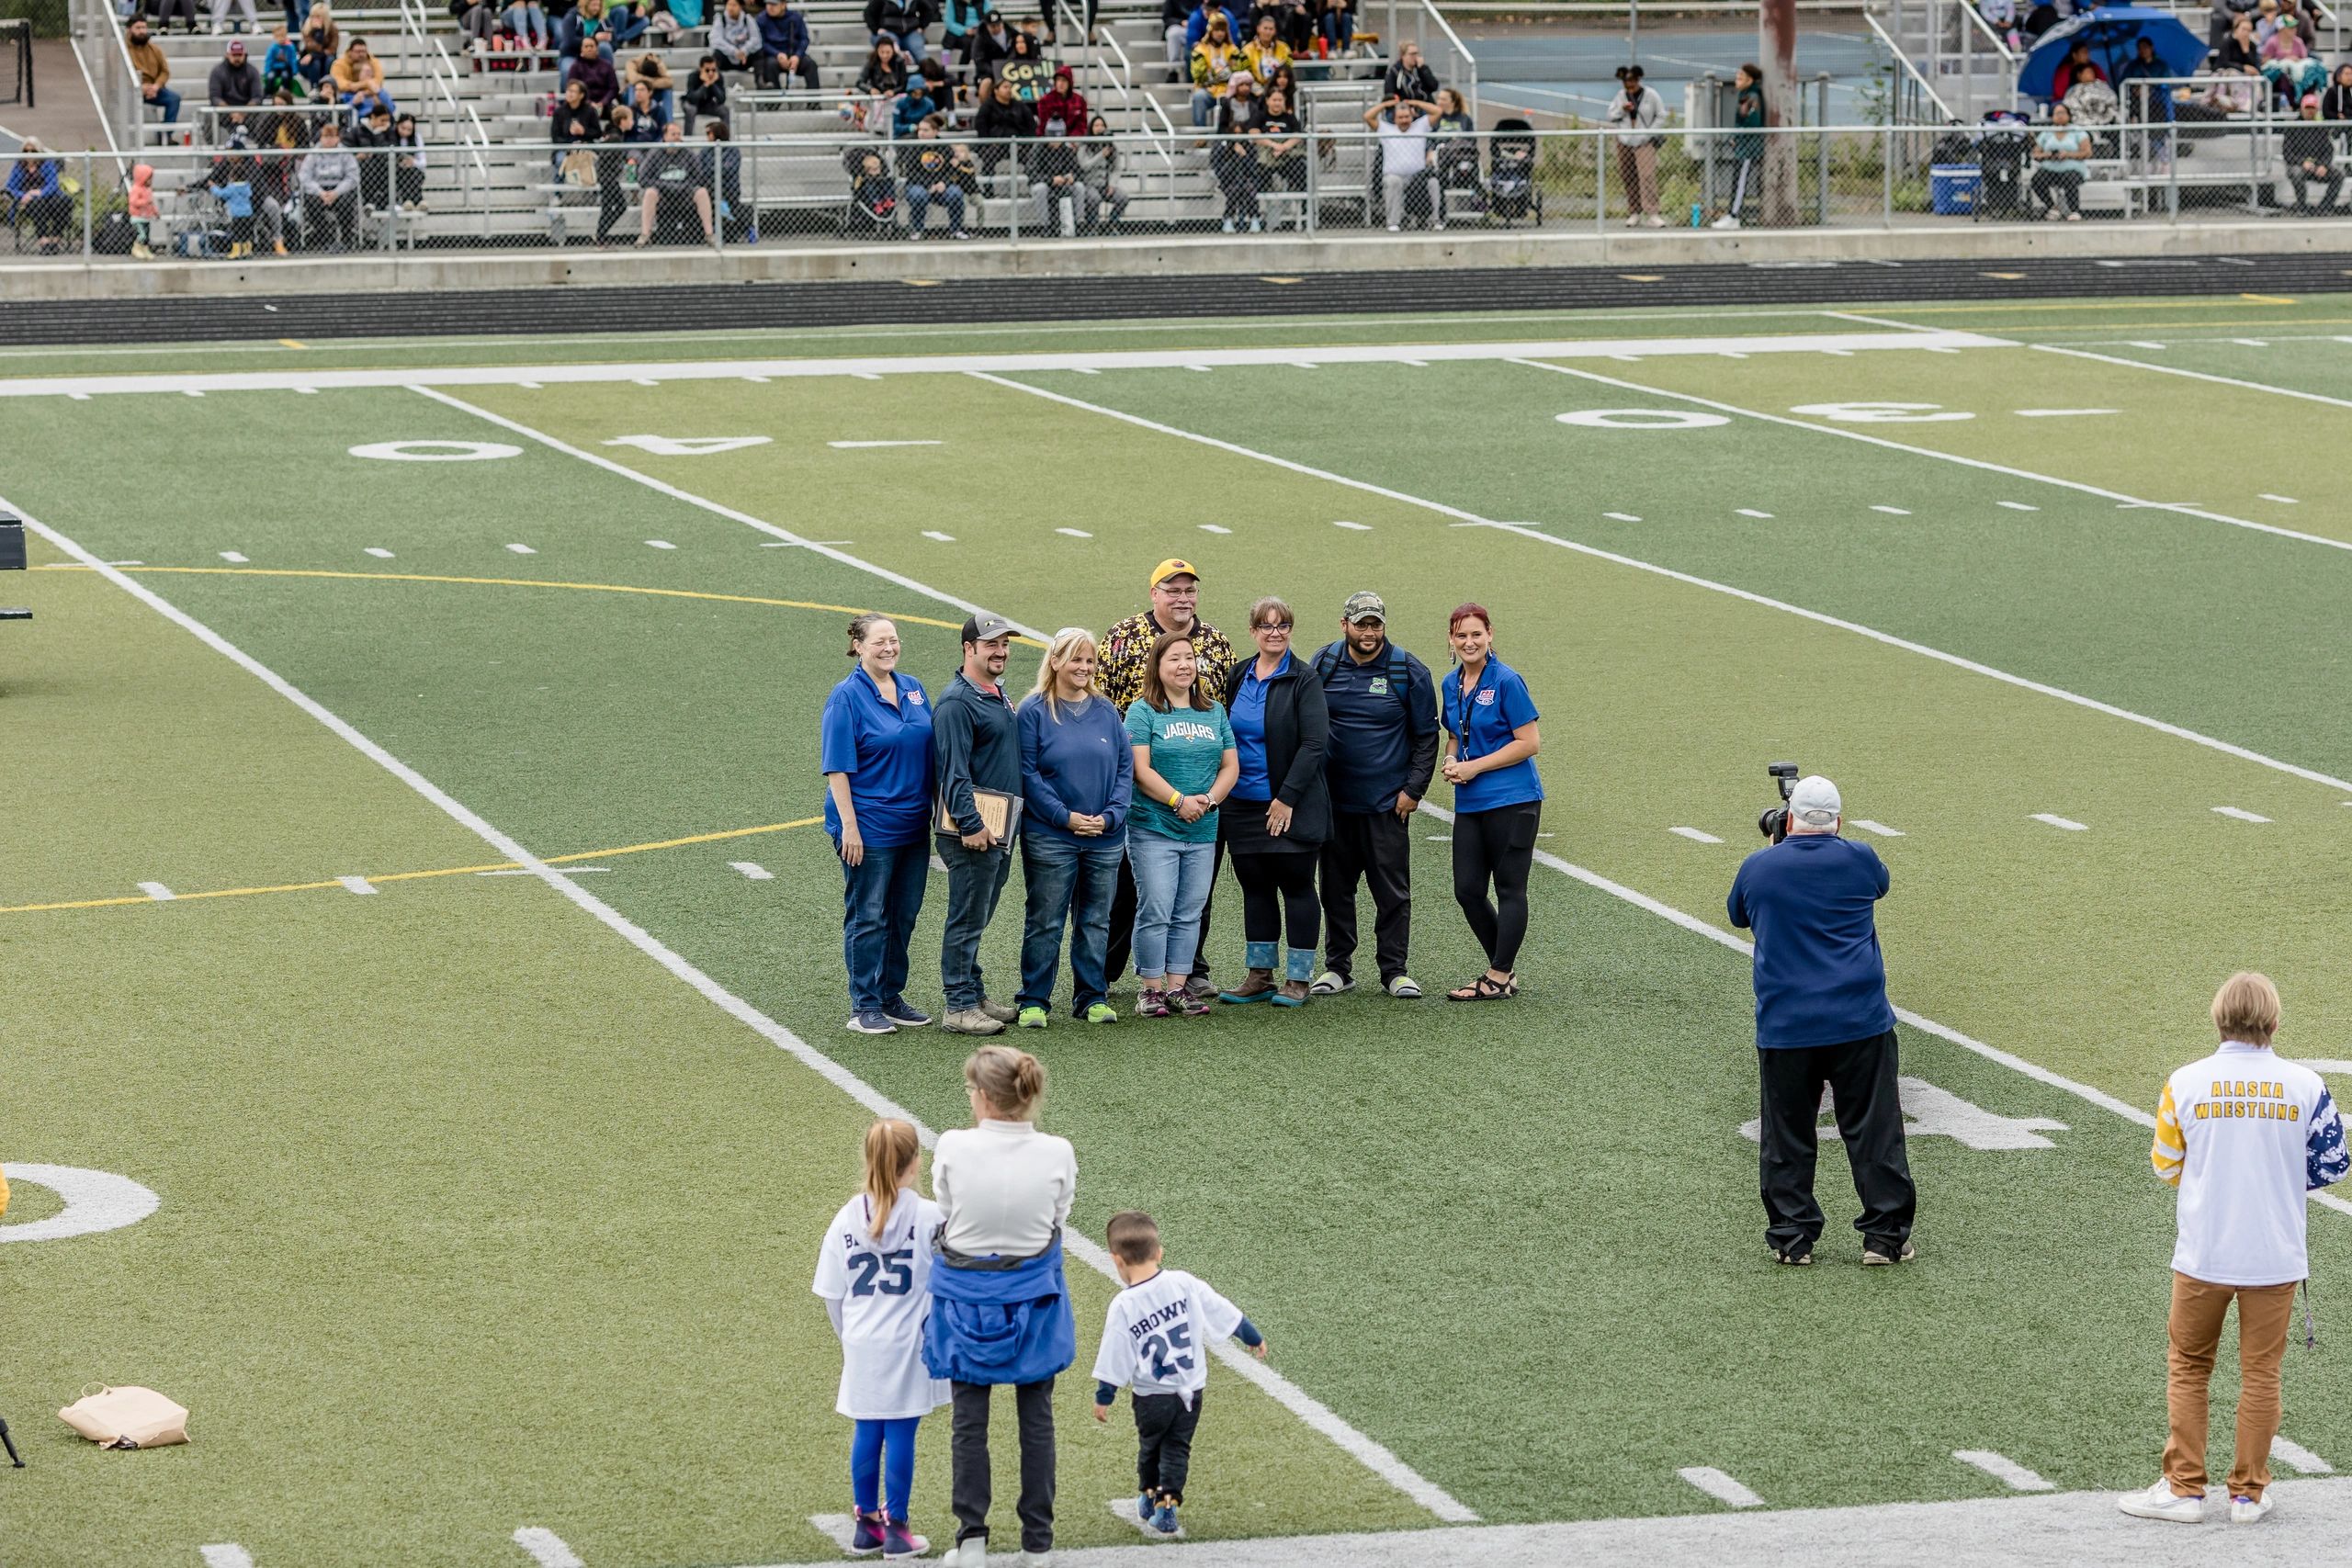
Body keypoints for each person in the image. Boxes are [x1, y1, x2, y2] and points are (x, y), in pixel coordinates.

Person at [2118, 973, 2347, 1526]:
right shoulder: (2306, 1085)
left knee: (2191, 1366)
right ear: (2273, 1021)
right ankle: (2247, 1495)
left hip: (2204, 1253)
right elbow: (2334, 1164)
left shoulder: (2186, 1082)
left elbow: (2165, 1165)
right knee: (2262, 1373)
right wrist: (2278, 1179)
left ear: (2218, 1018)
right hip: (2275, 1256)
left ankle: (2184, 1489)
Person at [1725, 773, 1915, 1267]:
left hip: (1786, 1025)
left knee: (1787, 1133)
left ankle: (1793, 1238)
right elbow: (1879, 885)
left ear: (1787, 820)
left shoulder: (1759, 866)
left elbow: (1738, 916)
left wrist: (1775, 847)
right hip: (1861, 1021)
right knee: (1874, 1130)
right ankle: (1885, 1238)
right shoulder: (1860, 858)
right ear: (1839, 820)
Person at [926, 1046, 1077, 1568]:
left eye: (971, 1091)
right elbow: (1059, 1218)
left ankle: (971, 1542)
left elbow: (946, 1210)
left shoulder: (952, 1145)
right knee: (1037, 1419)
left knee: (969, 1422)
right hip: (1034, 1298)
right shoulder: (1058, 1151)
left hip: (965, 1302)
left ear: (987, 1098)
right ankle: (1038, 1543)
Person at [1099, 558, 1238, 1000]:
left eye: (1189, 590)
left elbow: (1228, 713)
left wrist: (1209, 798)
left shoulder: (1215, 642)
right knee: (1136, 893)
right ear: (1154, 593)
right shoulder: (1123, 637)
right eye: (1172, 590)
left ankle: (1188, 974)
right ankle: (1111, 972)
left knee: (1195, 899)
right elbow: (1100, 699)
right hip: (1143, 789)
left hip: (1203, 794)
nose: (1182, 598)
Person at [1091, 1211, 1270, 1538]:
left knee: (1150, 1446)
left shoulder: (1124, 1304)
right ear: (1159, 1253)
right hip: (1191, 1391)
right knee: (1177, 1447)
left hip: (1152, 1396)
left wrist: (1104, 1396)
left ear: (1117, 1260)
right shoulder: (1184, 1283)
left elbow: (1115, 1355)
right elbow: (1224, 1312)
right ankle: (1167, 1507)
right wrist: (1253, 1336)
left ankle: (1148, 1496)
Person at [813, 1119, 945, 1562]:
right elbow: (952, 1278)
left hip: (863, 1342)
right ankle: (898, 1529)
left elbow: (832, 1291)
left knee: (867, 1428)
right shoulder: (929, 1215)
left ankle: (866, 1524)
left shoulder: (847, 1215)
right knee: (902, 1430)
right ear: (913, 1164)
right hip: (909, 1343)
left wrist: (849, 1337)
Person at [1306, 592, 1437, 1001]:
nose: (1368, 632)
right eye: (1361, 624)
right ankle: (1338, 968)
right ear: (1344, 624)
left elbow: (1427, 737)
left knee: (1392, 894)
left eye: (1375, 624)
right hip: (1335, 805)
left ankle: (1394, 970)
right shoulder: (1324, 663)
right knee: (1335, 890)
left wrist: (1413, 791)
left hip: (1386, 806)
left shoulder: (1407, 669)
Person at [822, 614, 937, 1036]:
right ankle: (864, 1005)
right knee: (869, 916)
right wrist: (850, 829)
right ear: (858, 645)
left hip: (913, 827)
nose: (889, 648)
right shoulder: (846, 697)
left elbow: (932, 752)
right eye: (879, 642)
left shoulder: (913, 688)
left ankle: (890, 996)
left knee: (903, 915)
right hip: (869, 829)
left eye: (894, 640)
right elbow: (837, 769)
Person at [1015, 627, 1132, 1028]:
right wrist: (1064, 816)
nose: (1084, 667)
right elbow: (1028, 774)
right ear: (1055, 661)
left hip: (1105, 837)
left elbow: (1123, 770)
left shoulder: (1106, 711)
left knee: (1096, 920)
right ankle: (1034, 1000)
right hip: (1051, 836)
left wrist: (1111, 816)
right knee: (1046, 919)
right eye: (1075, 659)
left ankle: (1092, 997)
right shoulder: (1032, 711)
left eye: (1089, 660)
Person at [1216, 596, 1329, 1009]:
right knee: (1255, 888)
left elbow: (1315, 744)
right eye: (1266, 626)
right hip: (1241, 805)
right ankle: (1260, 975)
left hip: (1289, 805)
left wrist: (1286, 799)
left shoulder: (1304, 678)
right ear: (1253, 632)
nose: (1275, 632)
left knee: (1297, 886)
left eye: (1282, 625)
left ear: (1290, 631)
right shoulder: (1238, 674)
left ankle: (1298, 979)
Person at [1125, 632, 1238, 1021]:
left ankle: (1178, 986)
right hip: (1154, 827)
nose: (1184, 665)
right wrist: (1178, 801)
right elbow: (1140, 769)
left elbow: (1230, 766)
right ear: (1158, 666)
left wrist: (1208, 800)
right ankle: (1151, 990)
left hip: (1203, 829)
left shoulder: (1214, 711)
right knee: (1156, 907)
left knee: (1190, 910)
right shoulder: (1142, 711)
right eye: (1174, 659)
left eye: (1189, 657)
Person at [1437, 603, 1541, 1002]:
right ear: (1451, 639)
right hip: (1471, 802)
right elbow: (1453, 734)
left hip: (1513, 800)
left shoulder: (1507, 680)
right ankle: (1504, 970)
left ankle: (1497, 974)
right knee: (1467, 889)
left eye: (1476, 634)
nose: (1469, 642)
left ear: (1490, 635)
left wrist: (1475, 766)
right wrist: (1450, 759)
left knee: (1510, 888)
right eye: (1461, 635)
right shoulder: (1450, 683)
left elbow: (1529, 743)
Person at [933, 614, 1022, 1035]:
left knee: (978, 913)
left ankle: (973, 989)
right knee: (967, 915)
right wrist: (971, 824)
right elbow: (953, 772)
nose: (1001, 651)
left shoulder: (994, 693)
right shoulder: (957, 702)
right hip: (975, 830)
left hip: (999, 827)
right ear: (969, 648)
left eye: (1005, 643)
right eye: (991, 644)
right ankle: (959, 1005)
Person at [636, 119, 715, 243]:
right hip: (663, 194)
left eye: (679, 134)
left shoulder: (688, 152)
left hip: (684, 192)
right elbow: (643, 179)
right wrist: (666, 185)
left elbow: (699, 177)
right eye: (673, 134)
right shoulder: (655, 153)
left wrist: (683, 186)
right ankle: (645, 235)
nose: (677, 138)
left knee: (702, 192)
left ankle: (709, 234)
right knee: (650, 193)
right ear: (665, 136)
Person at [1364, 94, 1433, 233]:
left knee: (1433, 182)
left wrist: (1415, 102)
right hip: (1394, 175)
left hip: (1417, 176)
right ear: (1394, 118)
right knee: (1393, 182)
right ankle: (1393, 222)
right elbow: (1368, 117)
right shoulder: (1386, 129)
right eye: (1400, 117)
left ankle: (1435, 221)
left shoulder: (1420, 126)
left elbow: (1437, 111)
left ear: (1412, 117)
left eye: (1407, 117)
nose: (1404, 120)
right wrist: (1385, 105)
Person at [1607, 62, 1664, 227]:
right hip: (1625, 140)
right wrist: (1622, 110)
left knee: (1647, 175)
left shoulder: (1651, 95)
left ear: (1638, 80)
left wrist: (1648, 133)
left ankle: (1652, 212)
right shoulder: (1620, 96)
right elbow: (1611, 115)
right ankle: (1634, 211)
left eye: (1632, 82)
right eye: (1626, 83)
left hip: (1644, 141)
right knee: (1628, 175)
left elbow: (1661, 115)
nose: (1629, 86)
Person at [1213, 71, 1265, 231]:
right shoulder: (1227, 104)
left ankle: (1244, 218)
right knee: (1236, 186)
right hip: (1229, 153)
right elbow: (1221, 128)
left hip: (1249, 146)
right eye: (1241, 85)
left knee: (1245, 185)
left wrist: (1245, 140)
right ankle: (1250, 217)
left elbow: (1257, 125)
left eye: (1247, 85)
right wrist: (1233, 142)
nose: (1244, 88)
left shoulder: (1254, 105)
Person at [298, 118, 361, 247]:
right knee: (312, 203)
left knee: (347, 202)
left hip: (340, 189)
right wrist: (320, 192)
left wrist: (336, 192)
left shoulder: (345, 154)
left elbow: (353, 177)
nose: (329, 140)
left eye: (332, 136)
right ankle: (323, 238)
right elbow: (304, 176)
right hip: (319, 189)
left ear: (338, 138)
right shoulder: (313, 154)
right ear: (320, 138)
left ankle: (346, 239)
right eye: (326, 136)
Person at [1715, 62, 1763, 228]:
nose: (1737, 80)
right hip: (1743, 146)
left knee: (1740, 181)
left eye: (1740, 77)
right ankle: (1732, 214)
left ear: (1749, 80)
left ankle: (1734, 215)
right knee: (1737, 180)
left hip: (1748, 147)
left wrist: (1738, 134)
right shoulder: (1745, 95)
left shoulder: (1753, 97)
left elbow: (1752, 122)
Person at [5, 143, 73, 255]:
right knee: (37, 204)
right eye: (26, 151)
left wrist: (40, 192)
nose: (29, 154)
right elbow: (10, 188)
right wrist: (24, 195)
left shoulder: (46, 164)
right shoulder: (19, 166)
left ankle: (55, 241)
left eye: (33, 151)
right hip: (29, 202)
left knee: (64, 202)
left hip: (49, 197)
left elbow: (53, 184)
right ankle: (44, 242)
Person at [2283, 92, 2342, 211]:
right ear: (2302, 109)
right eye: (2307, 108)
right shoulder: (2292, 127)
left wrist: (2323, 165)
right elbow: (2287, 152)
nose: (2310, 111)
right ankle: (2302, 206)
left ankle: (2325, 207)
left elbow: (2328, 150)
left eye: (2312, 108)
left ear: (2316, 110)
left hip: (2317, 165)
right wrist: (2302, 162)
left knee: (2339, 175)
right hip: (2299, 165)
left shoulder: (2320, 128)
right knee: (2296, 172)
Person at [2031, 102, 2089, 220]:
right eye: (2056, 113)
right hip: (2051, 169)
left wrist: (2068, 154)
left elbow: (2087, 152)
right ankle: (2053, 207)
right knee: (2037, 179)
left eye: (2062, 113)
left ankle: (2074, 211)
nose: (2059, 116)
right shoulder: (2047, 133)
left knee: (2070, 178)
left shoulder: (2077, 131)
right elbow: (2035, 153)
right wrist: (2047, 155)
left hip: (2072, 169)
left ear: (2069, 115)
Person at [1188, 9, 1241, 126]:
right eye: (1217, 30)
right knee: (1198, 97)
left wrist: (1213, 73)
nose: (1220, 34)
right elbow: (1198, 75)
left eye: (1222, 30)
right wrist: (1222, 72)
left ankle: (1230, 137)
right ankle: (1201, 135)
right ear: (1210, 30)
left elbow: (1237, 72)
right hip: (1207, 90)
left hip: (1229, 91)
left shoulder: (1233, 50)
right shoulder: (1200, 50)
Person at [1079, 111, 1129, 231]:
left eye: (1102, 125)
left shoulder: (1111, 146)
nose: (1100, 128)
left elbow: (1117, 168)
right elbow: (1084, 165)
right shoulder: (1085, 146)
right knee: (1094, 198)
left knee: (1123, 198)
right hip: (1089, 185)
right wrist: (1101, 155)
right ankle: (1092, 227)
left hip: (1105, 185)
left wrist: (1112, 184)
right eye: (1096, 125)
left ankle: (1112, 224)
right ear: (1091, 128)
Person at [128, 18, 184, 124]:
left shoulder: (154, 49)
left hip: (153, 89)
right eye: (138, 28)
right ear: (129, 30)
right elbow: (117, 75)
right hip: (130, 91)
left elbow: (164, 72)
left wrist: (156, 87)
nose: (141, 31)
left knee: (174, 99)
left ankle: (166, 136)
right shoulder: (122, 50)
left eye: (144, 27)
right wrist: (139, 88)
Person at [867, 0, 933, 62]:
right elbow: (868, 13)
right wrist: (876, 29)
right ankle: (900, 61)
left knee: (920, 53)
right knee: (891, 47)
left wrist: (921, 26)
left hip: (910, 33)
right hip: (888, 32)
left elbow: (928, 10)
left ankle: (929, 72)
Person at [709, 0, 763, 74]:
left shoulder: (748, 19)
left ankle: (761, 80)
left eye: (734, 5)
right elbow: (715, 41)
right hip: (727, 59)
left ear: (740, 7)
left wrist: (744, 50)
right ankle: (716, 81)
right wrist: (734, 51)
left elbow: (756, 39)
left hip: (744, 59)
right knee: (716, 54)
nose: (731, 8)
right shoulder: (720, 20)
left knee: (759, 53)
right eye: (729, 5)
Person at [683, 52, 729, 130]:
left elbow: (721, 99)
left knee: (725, 110)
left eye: (713, 70)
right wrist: (705, 85)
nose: (711, 73)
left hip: (708, 104)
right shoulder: (693, 76)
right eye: (707, 70)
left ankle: (725, 138)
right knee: (690, 109)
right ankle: (688, 139)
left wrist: (713, 84)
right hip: (693, 104)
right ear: (701, 68)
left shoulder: (718, 76)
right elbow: (692, 99)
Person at [210, 39, 263, 106]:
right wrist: (229, 111)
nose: (237, 58)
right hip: (224, 113)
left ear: (244, 55)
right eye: (234, 55)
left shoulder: (252, 71)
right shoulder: (217, 71)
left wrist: (245, 111)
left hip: (249, 113)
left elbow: (257, 96)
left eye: (240, 54)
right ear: (227, 55)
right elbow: (215, 97)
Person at [1381, 37, 1435, 101]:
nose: (1416, 57)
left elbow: (1434, 86)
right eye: (1412, 54)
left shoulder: (1422, 69)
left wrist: (1422, 69)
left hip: (1424, 104)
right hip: (1405, 106)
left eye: (1417, 53)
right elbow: (1389, 93)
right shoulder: (1394, 72)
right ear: (1403, 56)